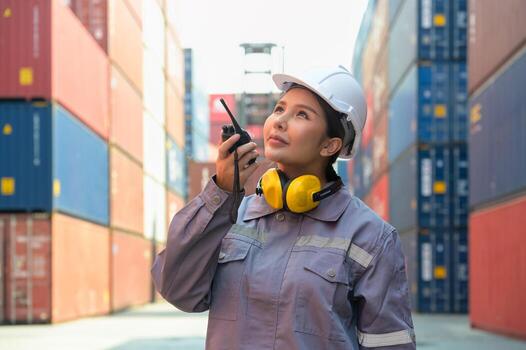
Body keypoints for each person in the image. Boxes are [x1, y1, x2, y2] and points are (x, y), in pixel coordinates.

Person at [151, 65, 416, 349]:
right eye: (279, 109)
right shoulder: (233, 215)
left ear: (330, 145)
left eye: (302, 114)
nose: (279, 121)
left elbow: (389, 344)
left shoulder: (370, 237)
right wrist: (221, 193)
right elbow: (178, 290)